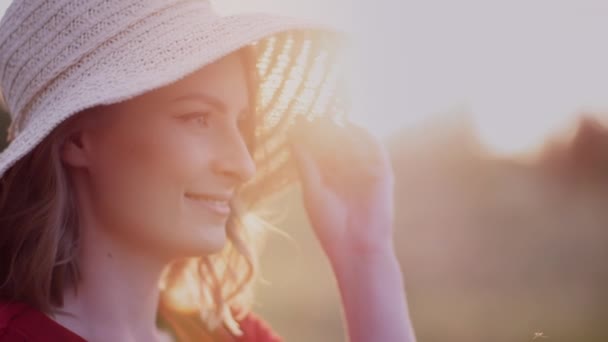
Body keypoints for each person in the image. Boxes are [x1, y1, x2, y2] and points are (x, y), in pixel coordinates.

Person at [0, 0, 416, 341]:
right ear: (76, 141)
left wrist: (364, 254)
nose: (243, 165)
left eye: (241, 123)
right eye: (198, 119)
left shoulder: (234, 337)